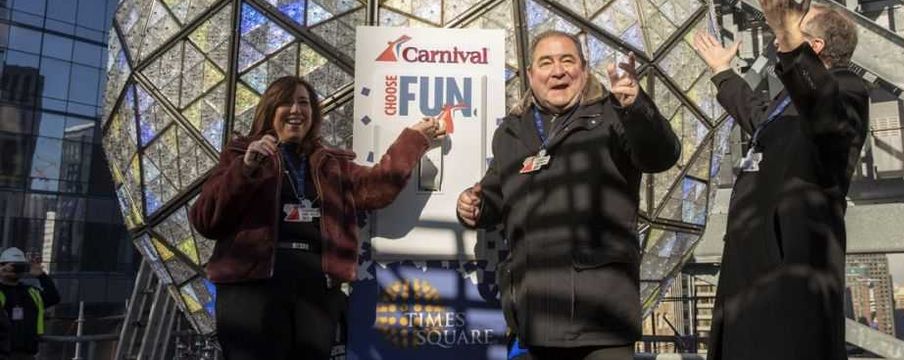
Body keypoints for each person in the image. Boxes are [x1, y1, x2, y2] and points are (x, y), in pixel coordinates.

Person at [456, 30, 681, 360]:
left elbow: (660, 155)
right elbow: (494, 195)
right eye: (546, 62)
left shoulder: (612, 115)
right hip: (536, 316)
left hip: (603, 317)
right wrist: (472, 207)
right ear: (530, 75)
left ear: (584, 69)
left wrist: (635, 105)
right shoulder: (511, 132)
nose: (557, 71)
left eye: (567, 60)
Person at [189, 75, 445, 360]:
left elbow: (377, 187)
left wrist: (412, 139)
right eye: (287, 102)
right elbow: (205, 219)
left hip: (315, 289)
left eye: (304, 103)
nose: (297, 110)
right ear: (269, 110)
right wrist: (245, 169)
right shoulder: (240, 155)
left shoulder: (331, 164)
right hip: (252, 288)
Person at [692, 0, 870, 360]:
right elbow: (759, 118)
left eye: (795, 29)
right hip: (748, 276)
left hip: (788, 282)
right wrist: (723, 73)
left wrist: (790, 38)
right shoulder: (787, 103)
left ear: (816, 48)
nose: (778, 36)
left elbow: (824, 116)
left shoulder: (847, 91)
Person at [0, 248, 60, 360]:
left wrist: (41, 275)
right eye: (12, 265)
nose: (15, 269)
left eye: (19, 266)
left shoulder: (31, 292)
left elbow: (53, 297)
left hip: (26, 354)